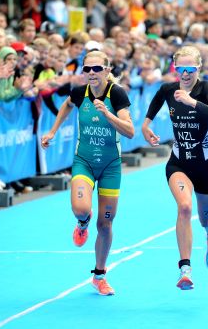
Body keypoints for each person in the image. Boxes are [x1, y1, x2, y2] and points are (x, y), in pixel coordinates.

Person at [41, 50, 134, 296]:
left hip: (110, 166)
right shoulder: (79, 92)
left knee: (105, 224)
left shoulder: (117, 94)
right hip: (84, 161)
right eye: (87, 69)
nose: (91, 73)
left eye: (96, 69)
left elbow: (130, 131)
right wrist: (52, 131)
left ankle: (100, 276)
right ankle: (82, 222)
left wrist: (107, 114)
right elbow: (66, 106)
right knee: (82, 209)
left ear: (107, 70)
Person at [141, 45, 208, 290]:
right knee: (184, 207)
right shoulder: (169, 89)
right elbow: (156, 101)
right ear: (175, 68)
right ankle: (185, 270)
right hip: (179, 162)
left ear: (198, 68)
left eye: (191, 69)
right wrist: (146, 126)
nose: (186, 74)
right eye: (181, 69)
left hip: (206, 166)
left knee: (205, 219)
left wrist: (192, 102)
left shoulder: (206, 88)